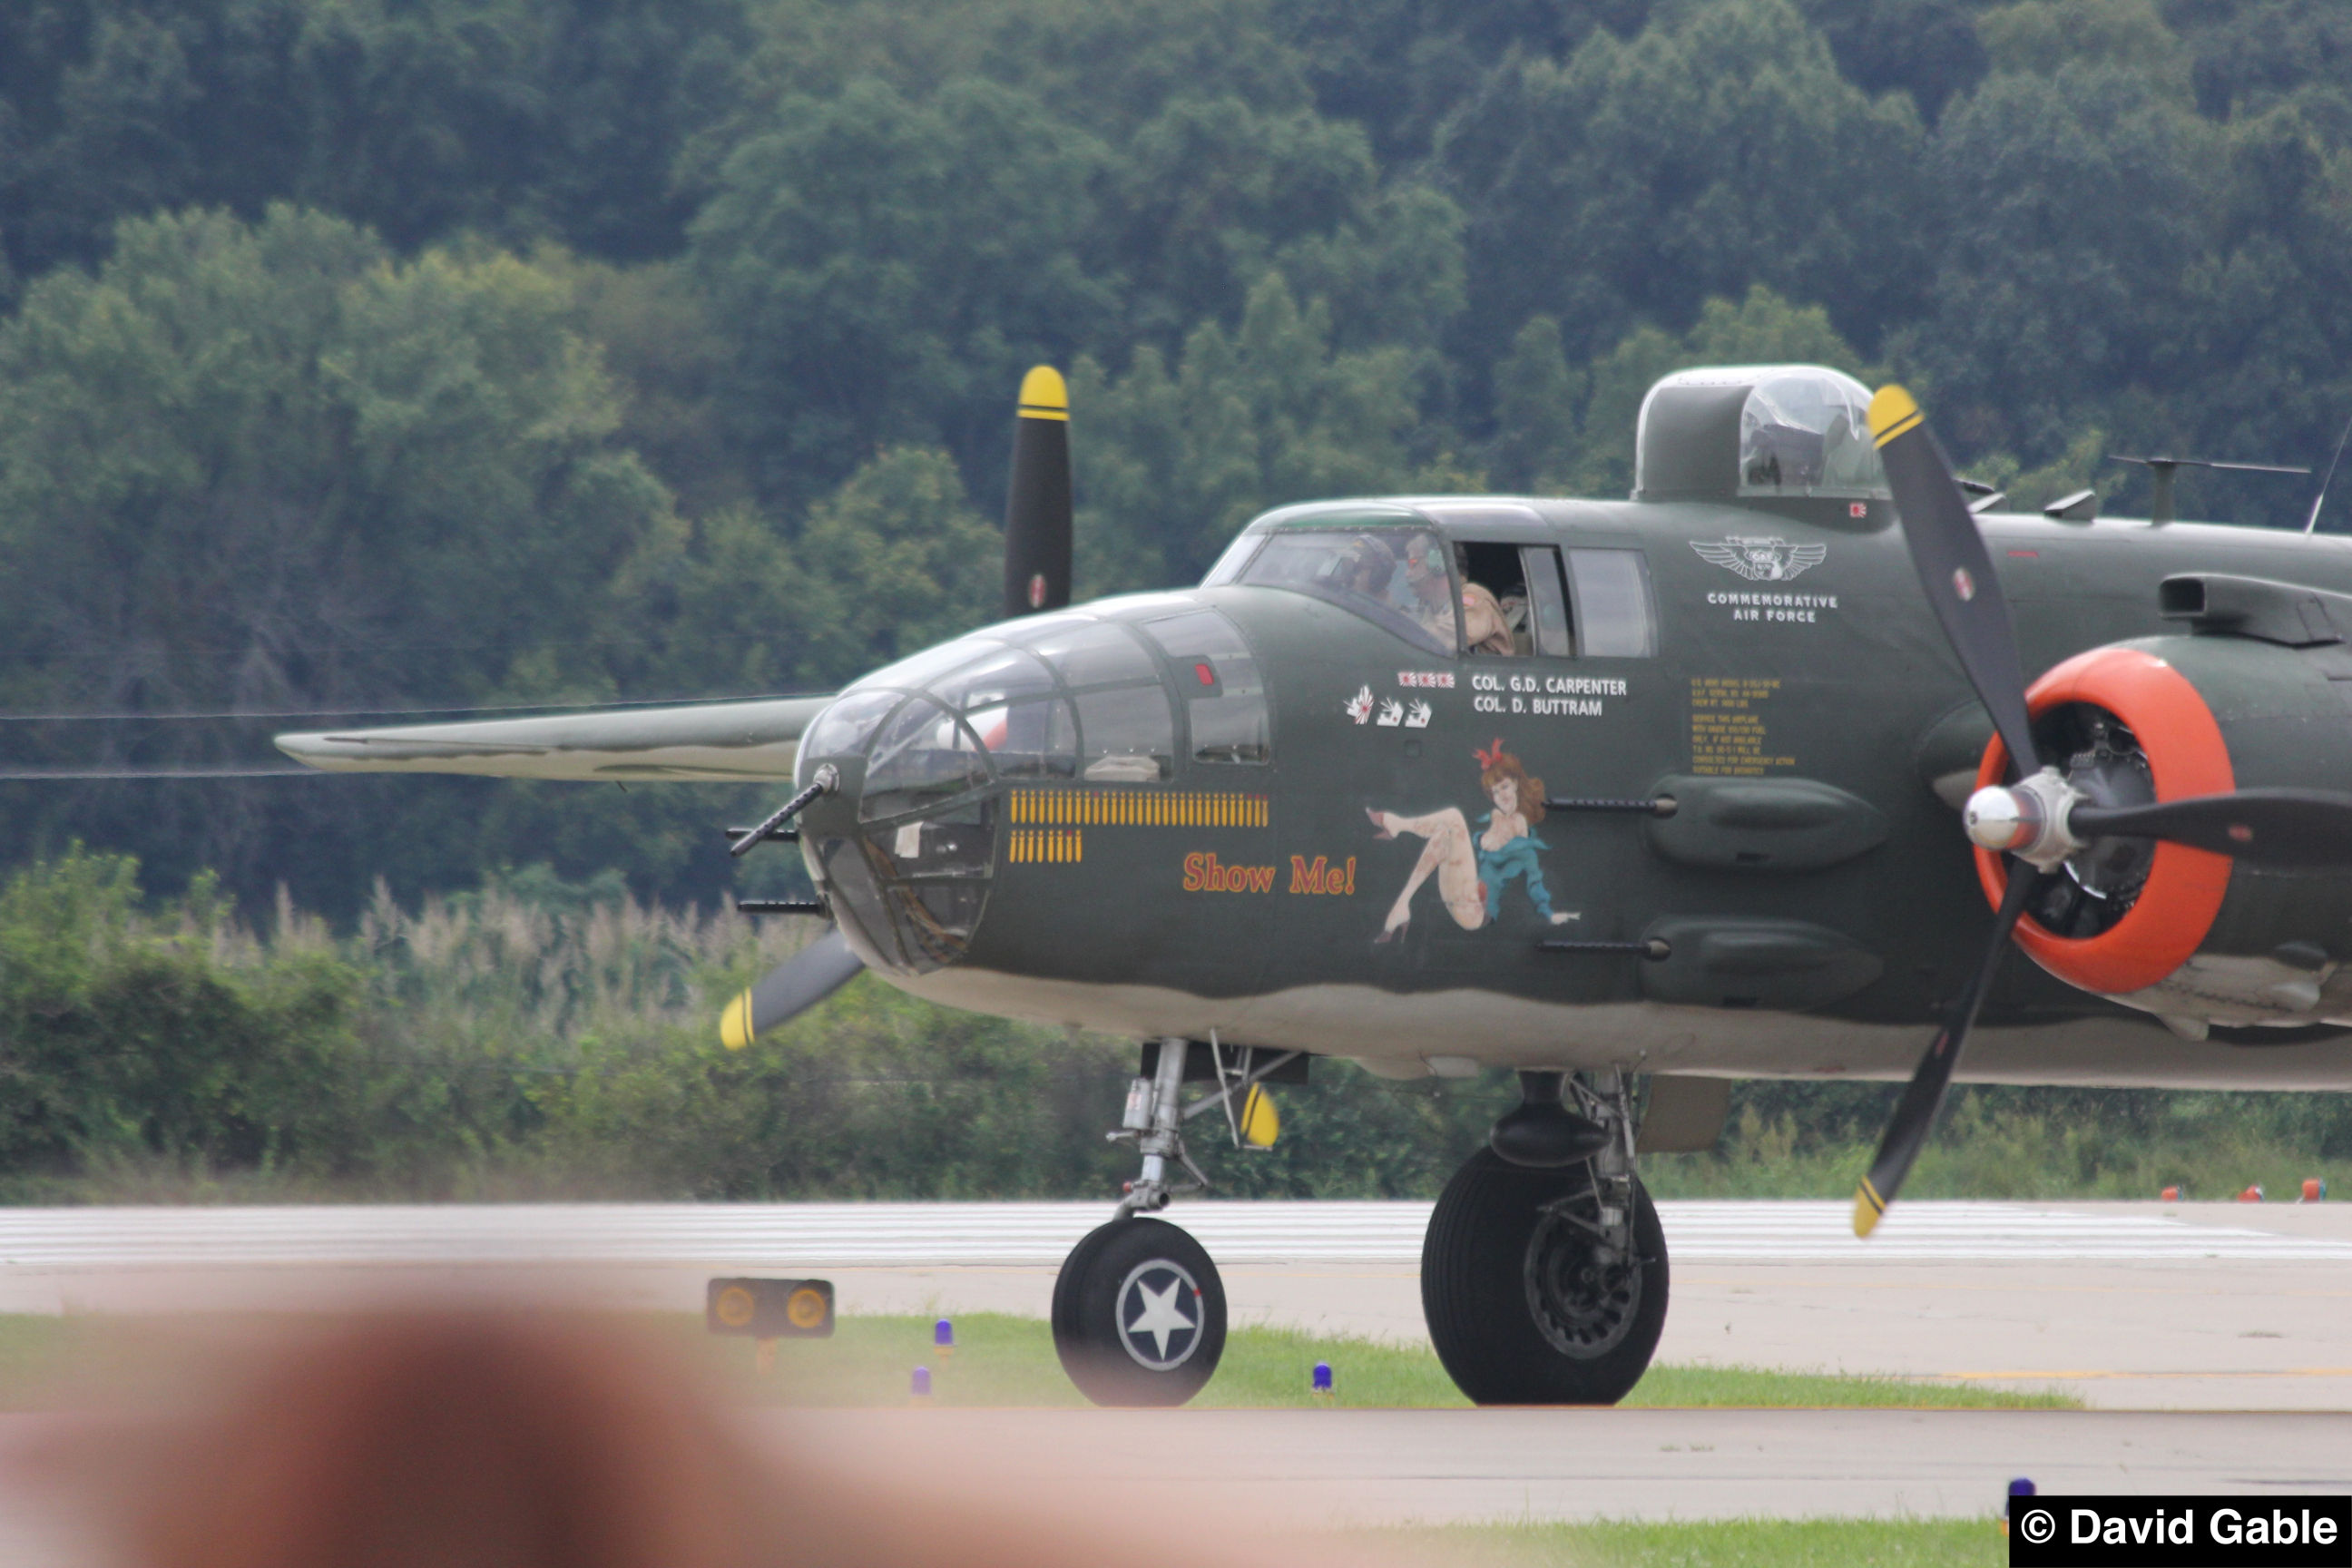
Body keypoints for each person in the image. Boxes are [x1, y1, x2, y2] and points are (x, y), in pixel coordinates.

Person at [1365, 740, 1572, 941]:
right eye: (1495, 791)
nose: (1501, 796)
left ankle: (1398, 826)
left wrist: (1549, 914)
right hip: (1460, 894)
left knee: (1454, 818)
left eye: (1505, 787)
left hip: (1476, 912)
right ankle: (1402, 903)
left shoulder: (1523, 842)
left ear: (1516, 784)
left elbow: (1535, 880)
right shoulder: (1495, 819)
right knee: (1443, 836)